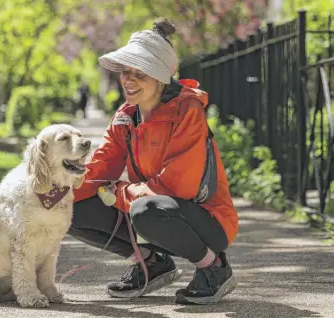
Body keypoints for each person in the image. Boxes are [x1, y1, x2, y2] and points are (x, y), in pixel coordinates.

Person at [70, 17, 239, 305]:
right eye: (126, 72)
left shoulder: (187, 110)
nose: (129, 80)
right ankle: (151, 262)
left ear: (161, 78)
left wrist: (121, 193)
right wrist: (57, 189)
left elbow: (179, 186)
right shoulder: (126, 116)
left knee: (145, 209)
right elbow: (101, 168)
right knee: (66, 206)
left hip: (207, 221)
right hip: (149, 209)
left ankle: (213, 268)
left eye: (141, 73)